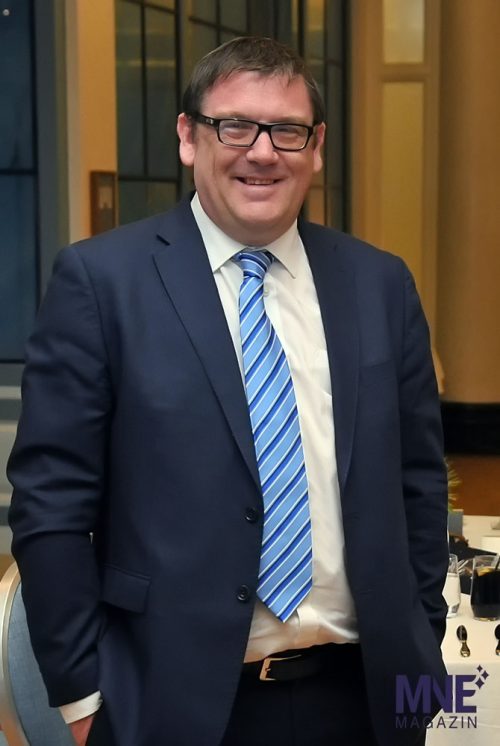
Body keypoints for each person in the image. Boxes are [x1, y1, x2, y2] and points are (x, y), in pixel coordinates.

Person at [7, 36, 449, 746]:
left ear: (317, 146)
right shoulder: (103, 283)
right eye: (234, 126)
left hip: (365, 700)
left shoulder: (380, 284)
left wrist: (420, 658)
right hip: (171, 707)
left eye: (288, 131)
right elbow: (51, 504)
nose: (263, 152)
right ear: (188, 137)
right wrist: (86, 702)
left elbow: (418, 487)